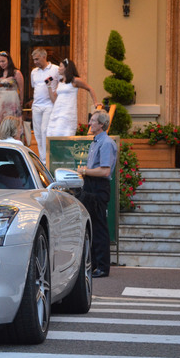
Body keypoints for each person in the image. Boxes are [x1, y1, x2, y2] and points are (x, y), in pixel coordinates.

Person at [75, 109, 117, 278]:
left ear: (101, 124)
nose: (89, 123)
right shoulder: (95, 142)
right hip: (90, 186)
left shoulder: (106, 143)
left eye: (92, 120)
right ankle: (93, 265)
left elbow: (105, 171)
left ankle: (102, 267)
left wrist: (84, 170)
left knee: (99, 228)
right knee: (91, 226)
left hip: (99, 187)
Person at [46, 58, 98, 137]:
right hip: (56, 113)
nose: (58, 69)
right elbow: (54, 100)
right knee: (52, 135)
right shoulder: (60, 82)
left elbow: (90, 88)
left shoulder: (75, 80)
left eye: (60, 66)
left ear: (66, 68)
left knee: (63, 135)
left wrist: (95, 103)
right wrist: (49, 86)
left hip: (67, 113)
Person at [30, 48, 60, 164]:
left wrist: (56, 92)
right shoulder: (34, 72)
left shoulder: (55, 69)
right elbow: (35, 87)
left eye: (37, 59)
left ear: (44, 57)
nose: (35, 62)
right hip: (37, 105)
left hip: (49, 104)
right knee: (37, 133)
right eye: (33, 60)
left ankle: (47, 159)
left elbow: (62, 82)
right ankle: (42, 159)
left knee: (45, 130)